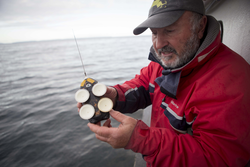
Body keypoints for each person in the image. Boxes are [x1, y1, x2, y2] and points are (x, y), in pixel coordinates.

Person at [77, 0, 250, 166]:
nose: (158, 44)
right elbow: (143, 84)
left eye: (169, 30)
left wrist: (141, 140)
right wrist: (114, 95)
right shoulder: (166, 61)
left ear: (200, 26)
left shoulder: (232, 80)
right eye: (154, 33)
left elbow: (218, 158)